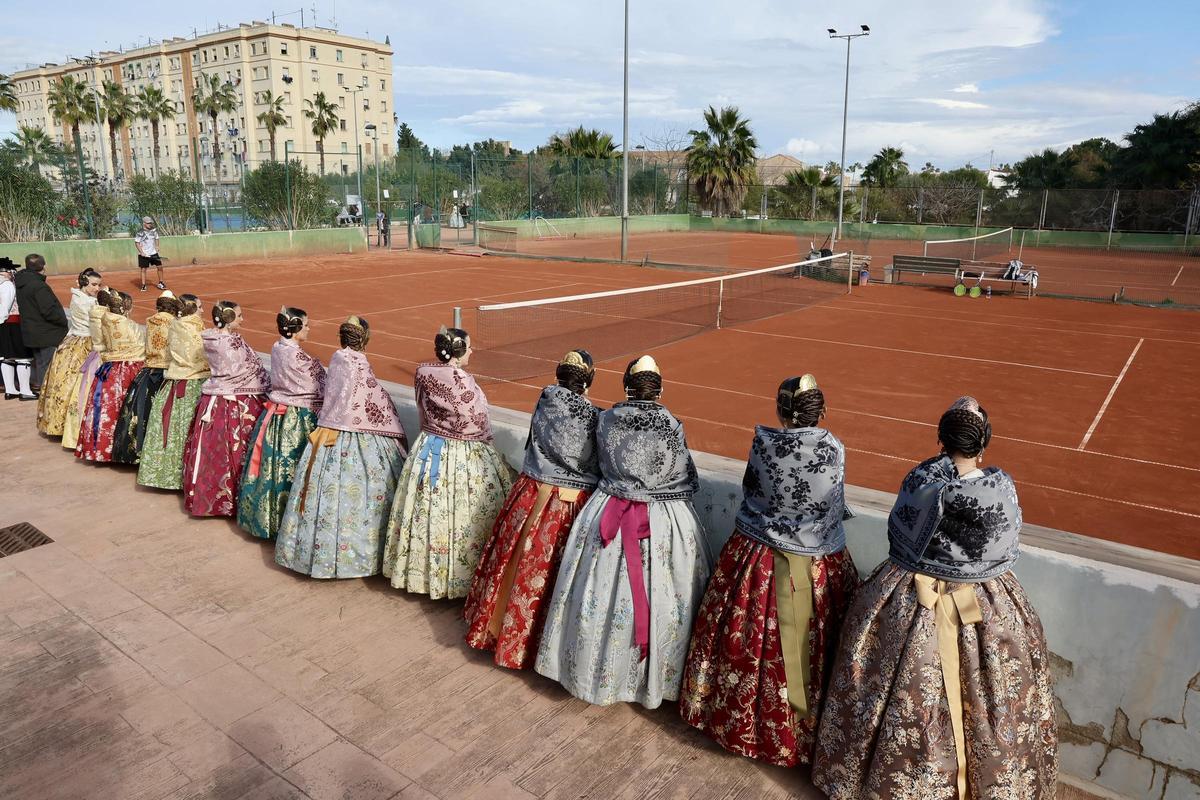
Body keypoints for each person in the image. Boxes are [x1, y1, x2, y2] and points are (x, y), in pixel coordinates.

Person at [812, 397, 1058, 799]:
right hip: (983, 608)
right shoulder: (1000, 489)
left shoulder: (919, 482)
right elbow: (1005, 545)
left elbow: (900, 534)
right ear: (983, 443)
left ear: (941, 439)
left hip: (907, 601)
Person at [679, 374, 859, 767]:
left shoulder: (764, 443)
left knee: (744, 642)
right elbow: (834, 506)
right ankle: (796, 738)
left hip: (756, 558)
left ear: (781, 411)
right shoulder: (833, 449)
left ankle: (735, 722)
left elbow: (751, 490)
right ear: (822, 412)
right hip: (814, 564)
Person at [535, 355, 712, 709]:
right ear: (659, 389)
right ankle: (647, 681)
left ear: (627, 387)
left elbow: (599, 462)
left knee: (594, 591)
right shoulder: (671, 424)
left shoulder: (606, 419)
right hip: (661, 522)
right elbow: (684, 475)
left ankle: (591, 674)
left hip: (607, 512)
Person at [463, 349, 601, 669]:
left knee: (512, 564)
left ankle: (495, 631)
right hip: (565, 506)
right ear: (588, 381)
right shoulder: (594, 416)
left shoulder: (546, 397)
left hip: (529, 494)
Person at [381, 326, 515, 599]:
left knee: (425, 515)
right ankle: (457, 580)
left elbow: (422, 407)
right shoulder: (463, 381)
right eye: (468, 346)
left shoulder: (423, 372)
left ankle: (420, 575)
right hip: (462, 456)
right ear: (457, 352)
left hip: (427, 451)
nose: (472, 351)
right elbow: (475, 420)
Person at [275, 316, 407, 578]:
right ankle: (356, 558)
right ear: (365, 339)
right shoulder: (358, 363)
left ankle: (312, 553)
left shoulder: (336, 358)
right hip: (353, 434)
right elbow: (371, 397)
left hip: (328, 433)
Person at [237, 307, 326, 540]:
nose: (308, 328)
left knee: (271, 470)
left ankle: (267, 519)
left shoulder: (277, 348)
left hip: (277, 418)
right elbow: (318, 386)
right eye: (305, 325)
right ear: (296, 329)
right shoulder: (302, 358)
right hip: (298, 420)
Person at [181, 300, 269, 517]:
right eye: (239, 316)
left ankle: (211, 498)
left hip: (213, 401)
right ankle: (235, 499)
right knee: (238, 451)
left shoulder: (210, 338)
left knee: (213, 455)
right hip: (236, 403)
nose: (242, 319)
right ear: (230, 319)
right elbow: (249, 368)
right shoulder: (232, 343)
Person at [137, 294, 210, 491]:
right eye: (200, 307)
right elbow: (202, 357)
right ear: (192, 309)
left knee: (169, 430)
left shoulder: (173, 325)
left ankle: (163, 474)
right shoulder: (194, 329)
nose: (203, 310)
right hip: (192, 384)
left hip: (173, 382)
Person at [76, 290, 145, 462]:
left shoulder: (103, 321)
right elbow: (141, 347)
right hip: (129, 369)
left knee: (105, 409)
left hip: (109, 370)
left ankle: (99, 449)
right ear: (127, 308)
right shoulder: (131, 326)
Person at [111, 291, 178, 463]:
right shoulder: (175, 323)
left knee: (141, 411)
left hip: (149, 372)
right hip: (167, 373)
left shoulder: (150, 320)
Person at [37, 269, 103, 434]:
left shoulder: (79, 298)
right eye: (94, 284)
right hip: (86, 343)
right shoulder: (88, 303)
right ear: (84, 283)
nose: (97, 288)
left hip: (72, 342)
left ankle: (61, 423)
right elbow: (96, 327)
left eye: (99, 285)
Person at [61, 289, 110, 451]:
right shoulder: (104, 317)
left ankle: (76, 434)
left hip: (93, 357)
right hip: (103, 360)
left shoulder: (89, 307)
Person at [14, 253, 68, 394]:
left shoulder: (21, 283)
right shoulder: (38, 286)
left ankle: (44, 389)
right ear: (43, 266)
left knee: (40, 362)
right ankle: (48, 394)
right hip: (46, 333)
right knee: (47, 365)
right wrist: (62, 321)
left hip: (32, 331)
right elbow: (49, 310)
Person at [0, 258, 36, 401]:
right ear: (6, 272)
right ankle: (25, 390)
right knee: (23, 358)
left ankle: (10, 390)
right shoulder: (7, 284)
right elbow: (6, 307)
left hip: (4, 325)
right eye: (11, 270)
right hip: (12, 323)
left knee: (6, 357)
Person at [135, 216, 165, 292]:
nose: (150, 224)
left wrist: (157, 246)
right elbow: (137, 243)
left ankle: (161, 283)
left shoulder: (154, 231)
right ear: (144, 223)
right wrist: (142, 252)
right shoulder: (140, 232)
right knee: (143, 270)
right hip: (144, 254)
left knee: (160, 267)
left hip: (153, 253)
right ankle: (144, 285)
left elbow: (157, 238)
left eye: (151, 223)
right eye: (148, 223)